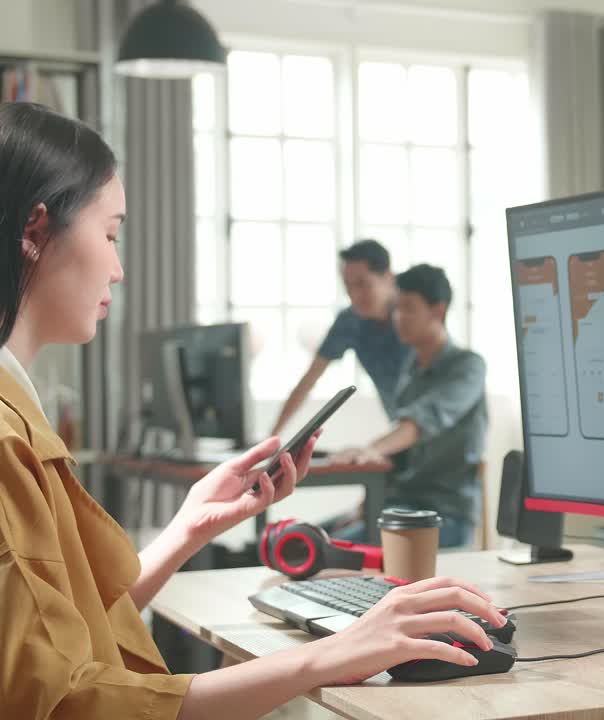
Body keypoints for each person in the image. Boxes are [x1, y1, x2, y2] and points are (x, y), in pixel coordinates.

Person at [0, 102, 505, 720]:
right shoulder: (5, 439)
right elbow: (66, 701)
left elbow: (69, 625)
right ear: (35, 230)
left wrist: (191, 525)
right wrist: (336, 654)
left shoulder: (18, 415)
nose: (119, 266)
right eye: (110, 234)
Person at [332, 264, 486, 547]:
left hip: (443, 515)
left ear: (437, 311)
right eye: (397, 309)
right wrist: (365, 507)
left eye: (409, 309)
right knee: (303, 536)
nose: (398, 318)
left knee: (321, 550)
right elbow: (400, 456)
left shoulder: (468, 366)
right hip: (399, 506)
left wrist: (371, 449)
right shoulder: (411, 369)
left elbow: (418, 423)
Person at [270, 239, 412, 436]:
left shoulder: (413, 315)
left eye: (363, 284)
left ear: (388, 277)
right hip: (400, 429)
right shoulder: (350, 321)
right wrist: (272, 437)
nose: (354, 295)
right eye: (348, 285)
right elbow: (309, 380)